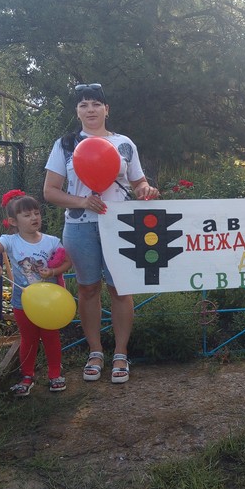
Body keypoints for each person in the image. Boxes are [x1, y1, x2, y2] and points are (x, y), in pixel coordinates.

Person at [43, 83, 159, 384]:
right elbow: (50, 191)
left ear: (107, 109)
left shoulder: (124, 144)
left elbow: (138, 183)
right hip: (79, 227)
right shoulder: (65, 145)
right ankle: (95, 352)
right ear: (77, 112)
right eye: (83, 105)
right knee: (88, 289)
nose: (90, 109)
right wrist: (82, 201)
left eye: (96, 104)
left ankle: (120, 353)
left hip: (120, 225)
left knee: (120, 289)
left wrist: (145, 190)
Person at [0, 191, 72, 396]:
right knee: (28, 339)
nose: (34, 218)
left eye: (36, 213)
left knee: (51, 337)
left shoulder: (52, 241)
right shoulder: (9, 241)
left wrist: (53, 272)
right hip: (22, 303)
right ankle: (27, 376)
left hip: (50, 304)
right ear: (13, 221)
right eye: (27, 215)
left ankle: (55, 375)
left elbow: (67, 262)